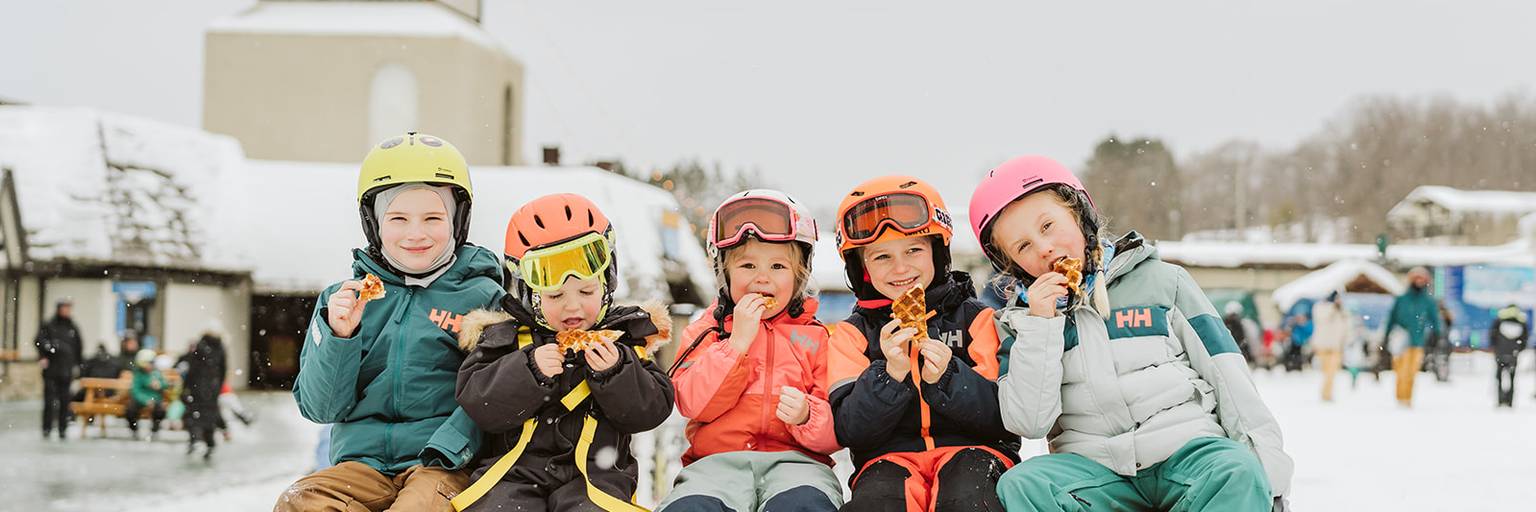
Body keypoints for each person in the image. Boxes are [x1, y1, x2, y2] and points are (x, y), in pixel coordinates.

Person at [970, 156, 1292, 511]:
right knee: (1023, 485)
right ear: (1012, 264)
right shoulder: (1020, 323)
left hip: (1187, 456)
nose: (1043, 247)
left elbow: (1227, 374)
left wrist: (1270, 477)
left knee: (1236, 470)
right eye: (1023, 246)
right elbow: (1029, 423)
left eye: (1047, 226)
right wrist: (1042, 326)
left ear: (1078, 214)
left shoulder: (1163, 282)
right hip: (1095, 472)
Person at [274, 133, 503, 511]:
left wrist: (449, 450)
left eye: (433, 217)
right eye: (399, 218)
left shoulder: (483, 300)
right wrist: (339, 336)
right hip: (362, 466)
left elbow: (491, 393)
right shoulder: (344, 301)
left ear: (458, 220)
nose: (416, 233)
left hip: (441, 465)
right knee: (300, 501)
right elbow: (322, 408)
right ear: (374, 222)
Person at [453, 193, 675, 512]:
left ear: (607, 285)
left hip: (597, 480)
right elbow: (479, 403)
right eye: (556, 295)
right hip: (513, 477)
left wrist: (616, 371)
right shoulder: (506, 339)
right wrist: (528, 370)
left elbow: (651, 409)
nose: (573, 306)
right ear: (530, 295)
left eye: (586, 291)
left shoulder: (623, 341)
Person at [827, 176, 1017, 512]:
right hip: (886, 460)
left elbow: (1003, 418)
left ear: (937, 251)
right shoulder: (851, 335)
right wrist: (889, 374)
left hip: (977, 452)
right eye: (882, 256)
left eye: (913, 249)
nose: (900, 267)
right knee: (878, 503)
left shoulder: (978, 320)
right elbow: (851, 431)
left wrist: (948, 377)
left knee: (966, 499)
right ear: (863, 269)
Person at [659, 190, 842, 511]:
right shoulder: (707, 331)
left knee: (804, 505)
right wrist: (736, 345)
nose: (762, 278)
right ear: (724, 273)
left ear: (799, 277)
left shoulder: (817, 338)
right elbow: (690, 403)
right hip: (716, 465)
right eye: (747, 264)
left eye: (777, 266)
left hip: (798, 466)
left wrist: (807, 416)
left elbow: (838, 429)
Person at [1381, 267, 1444, 407]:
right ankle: (1400, 397)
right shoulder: (1402, 299)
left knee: (1411, 372)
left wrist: (1437, 335)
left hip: (1417, 341)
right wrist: (1386, 336)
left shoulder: (1428, 301)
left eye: (1422, 279)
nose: (1419, 281)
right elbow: (1391, 318)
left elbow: (1435, 320)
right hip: (1400, 340)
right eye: (1416, 278)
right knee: (1400, 371)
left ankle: (1408, 398)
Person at [35, 298, 83, 440]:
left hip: (66, 370)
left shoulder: (72, 327)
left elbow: (79, 348)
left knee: (65, 400)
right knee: (49, 401)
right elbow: (39, 341)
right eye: (64, 308)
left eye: (68, 308)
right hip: (51, 369)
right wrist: (45, 352)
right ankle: (47, 428)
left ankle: (63, 428)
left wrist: (78, 366)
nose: (67, 311)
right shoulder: (49, 325)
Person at [180, 325, 228, 459]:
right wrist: (218, 386)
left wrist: (186, 387)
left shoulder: (200, 346)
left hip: (198, 387)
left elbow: (192, 369)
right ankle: (209, 444)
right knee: (208, 417)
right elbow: (223, 370)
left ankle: (195, 441)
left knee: (194, 416)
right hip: (211, 388)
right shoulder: (220, 348)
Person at [1310, 291, 1353, 402]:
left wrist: (1347, 342)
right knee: (1326, 372)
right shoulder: (1320, 308)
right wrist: (1333, 308)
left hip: (1336, 347)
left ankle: (1327, 394)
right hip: (1322, 345)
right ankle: (1326, 393)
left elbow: (1347, 328)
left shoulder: (1343, 312)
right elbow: (1321, 319)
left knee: (1331, 372)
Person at [1490, 305, 1528, 408]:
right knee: (1512, 378)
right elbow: (1524, 339)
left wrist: (1496, 348)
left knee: (1499, 378)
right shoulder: (1521, 321)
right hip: (1513, 354)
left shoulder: (1499, 320)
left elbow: (1492, 336)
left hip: (1500, 354)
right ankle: (1510, 401)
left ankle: (1500, 400)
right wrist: (1518, 350)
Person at [126, 349, 169, 441]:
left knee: (160, 411)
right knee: (130, 410)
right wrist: (146, 400)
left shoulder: (157, 373)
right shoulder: (138, 375)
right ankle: (134, 430)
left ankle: (155, 430)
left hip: (155, 398)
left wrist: (159, 385)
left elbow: (165, 384)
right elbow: (135, 391)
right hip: (141, 399)